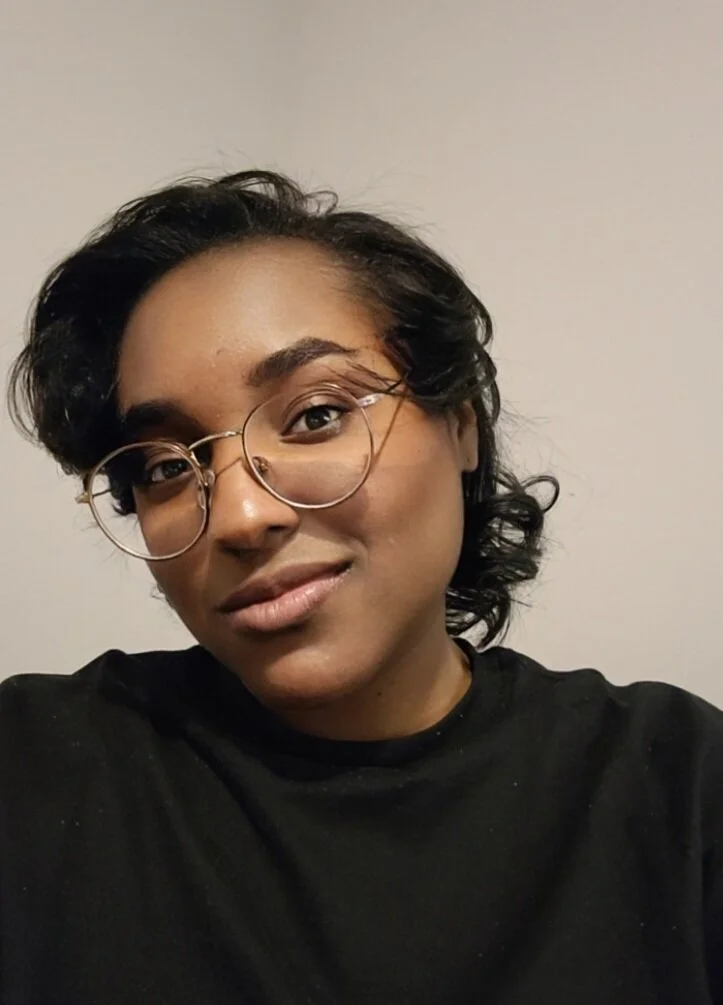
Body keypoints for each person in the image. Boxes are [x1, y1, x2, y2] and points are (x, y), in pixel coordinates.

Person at [1, 170, 720, 1005]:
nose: (238, 514)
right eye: (167, 466)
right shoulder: (40, 769)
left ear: (459, 425)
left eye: (315, 414)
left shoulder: (671, 787)